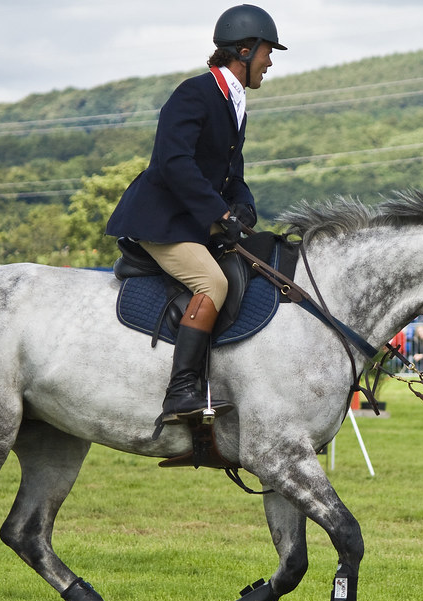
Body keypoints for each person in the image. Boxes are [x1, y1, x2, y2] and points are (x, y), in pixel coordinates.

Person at [106, 5, 286, 425]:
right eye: (267, 52)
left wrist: (243, 207)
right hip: (163, 220)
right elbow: (174, 163)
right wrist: (218, 213)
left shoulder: (235, 103)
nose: (271, 61)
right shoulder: (195, 93)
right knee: (213, 282)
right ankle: (180, 391)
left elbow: (232, 173)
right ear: (244, 50)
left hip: (195, 221)